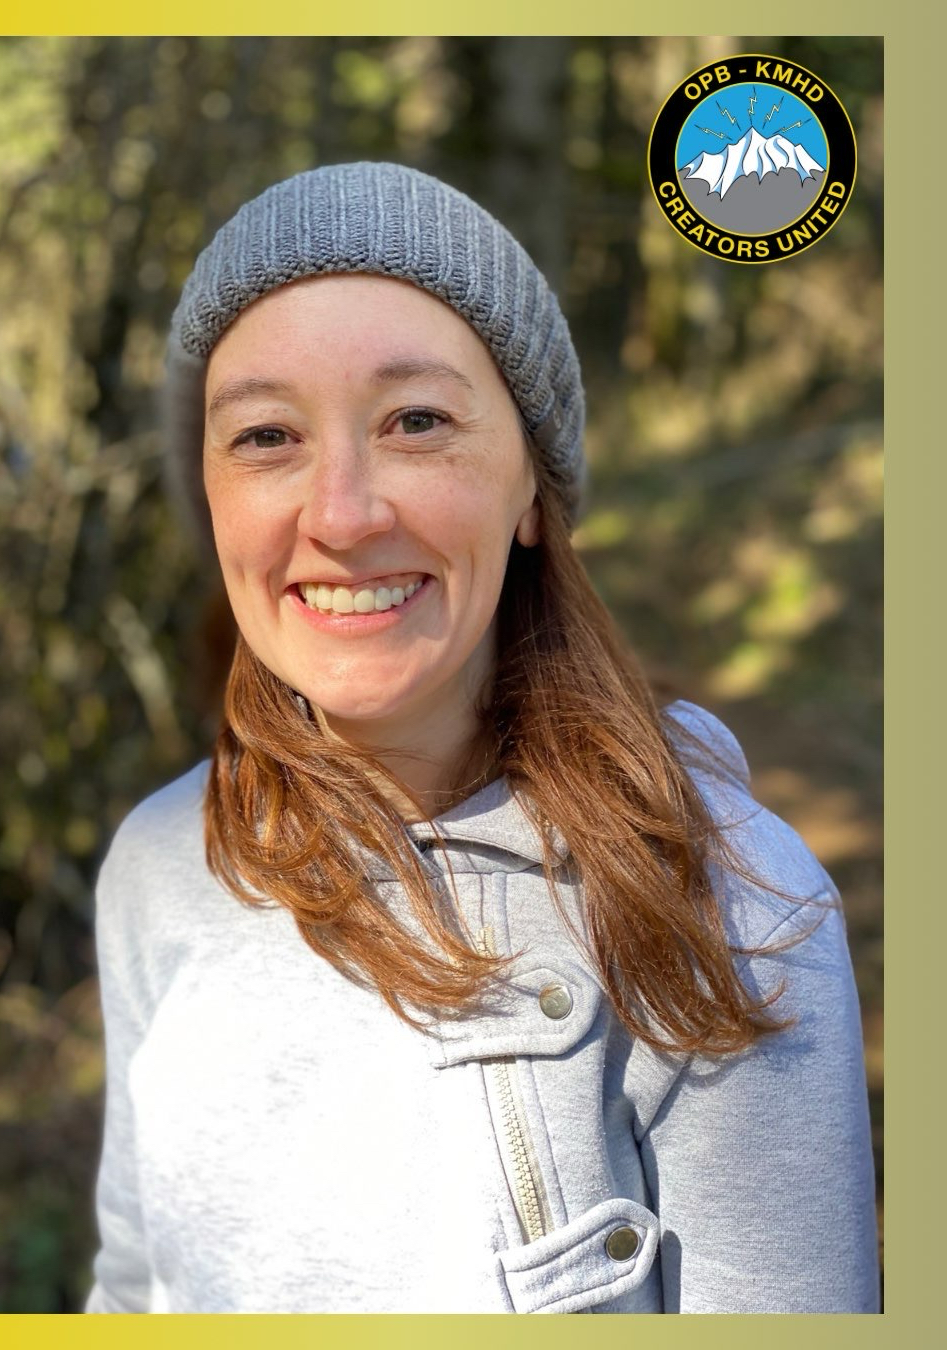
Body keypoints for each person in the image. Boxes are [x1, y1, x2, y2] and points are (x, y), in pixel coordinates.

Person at [84, 162, 879, 1314]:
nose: (342, 513)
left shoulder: (726, 911)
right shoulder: (162, 868)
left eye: (417, 421)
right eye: (265, 435)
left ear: (532, 491)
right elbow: (131, 1287)